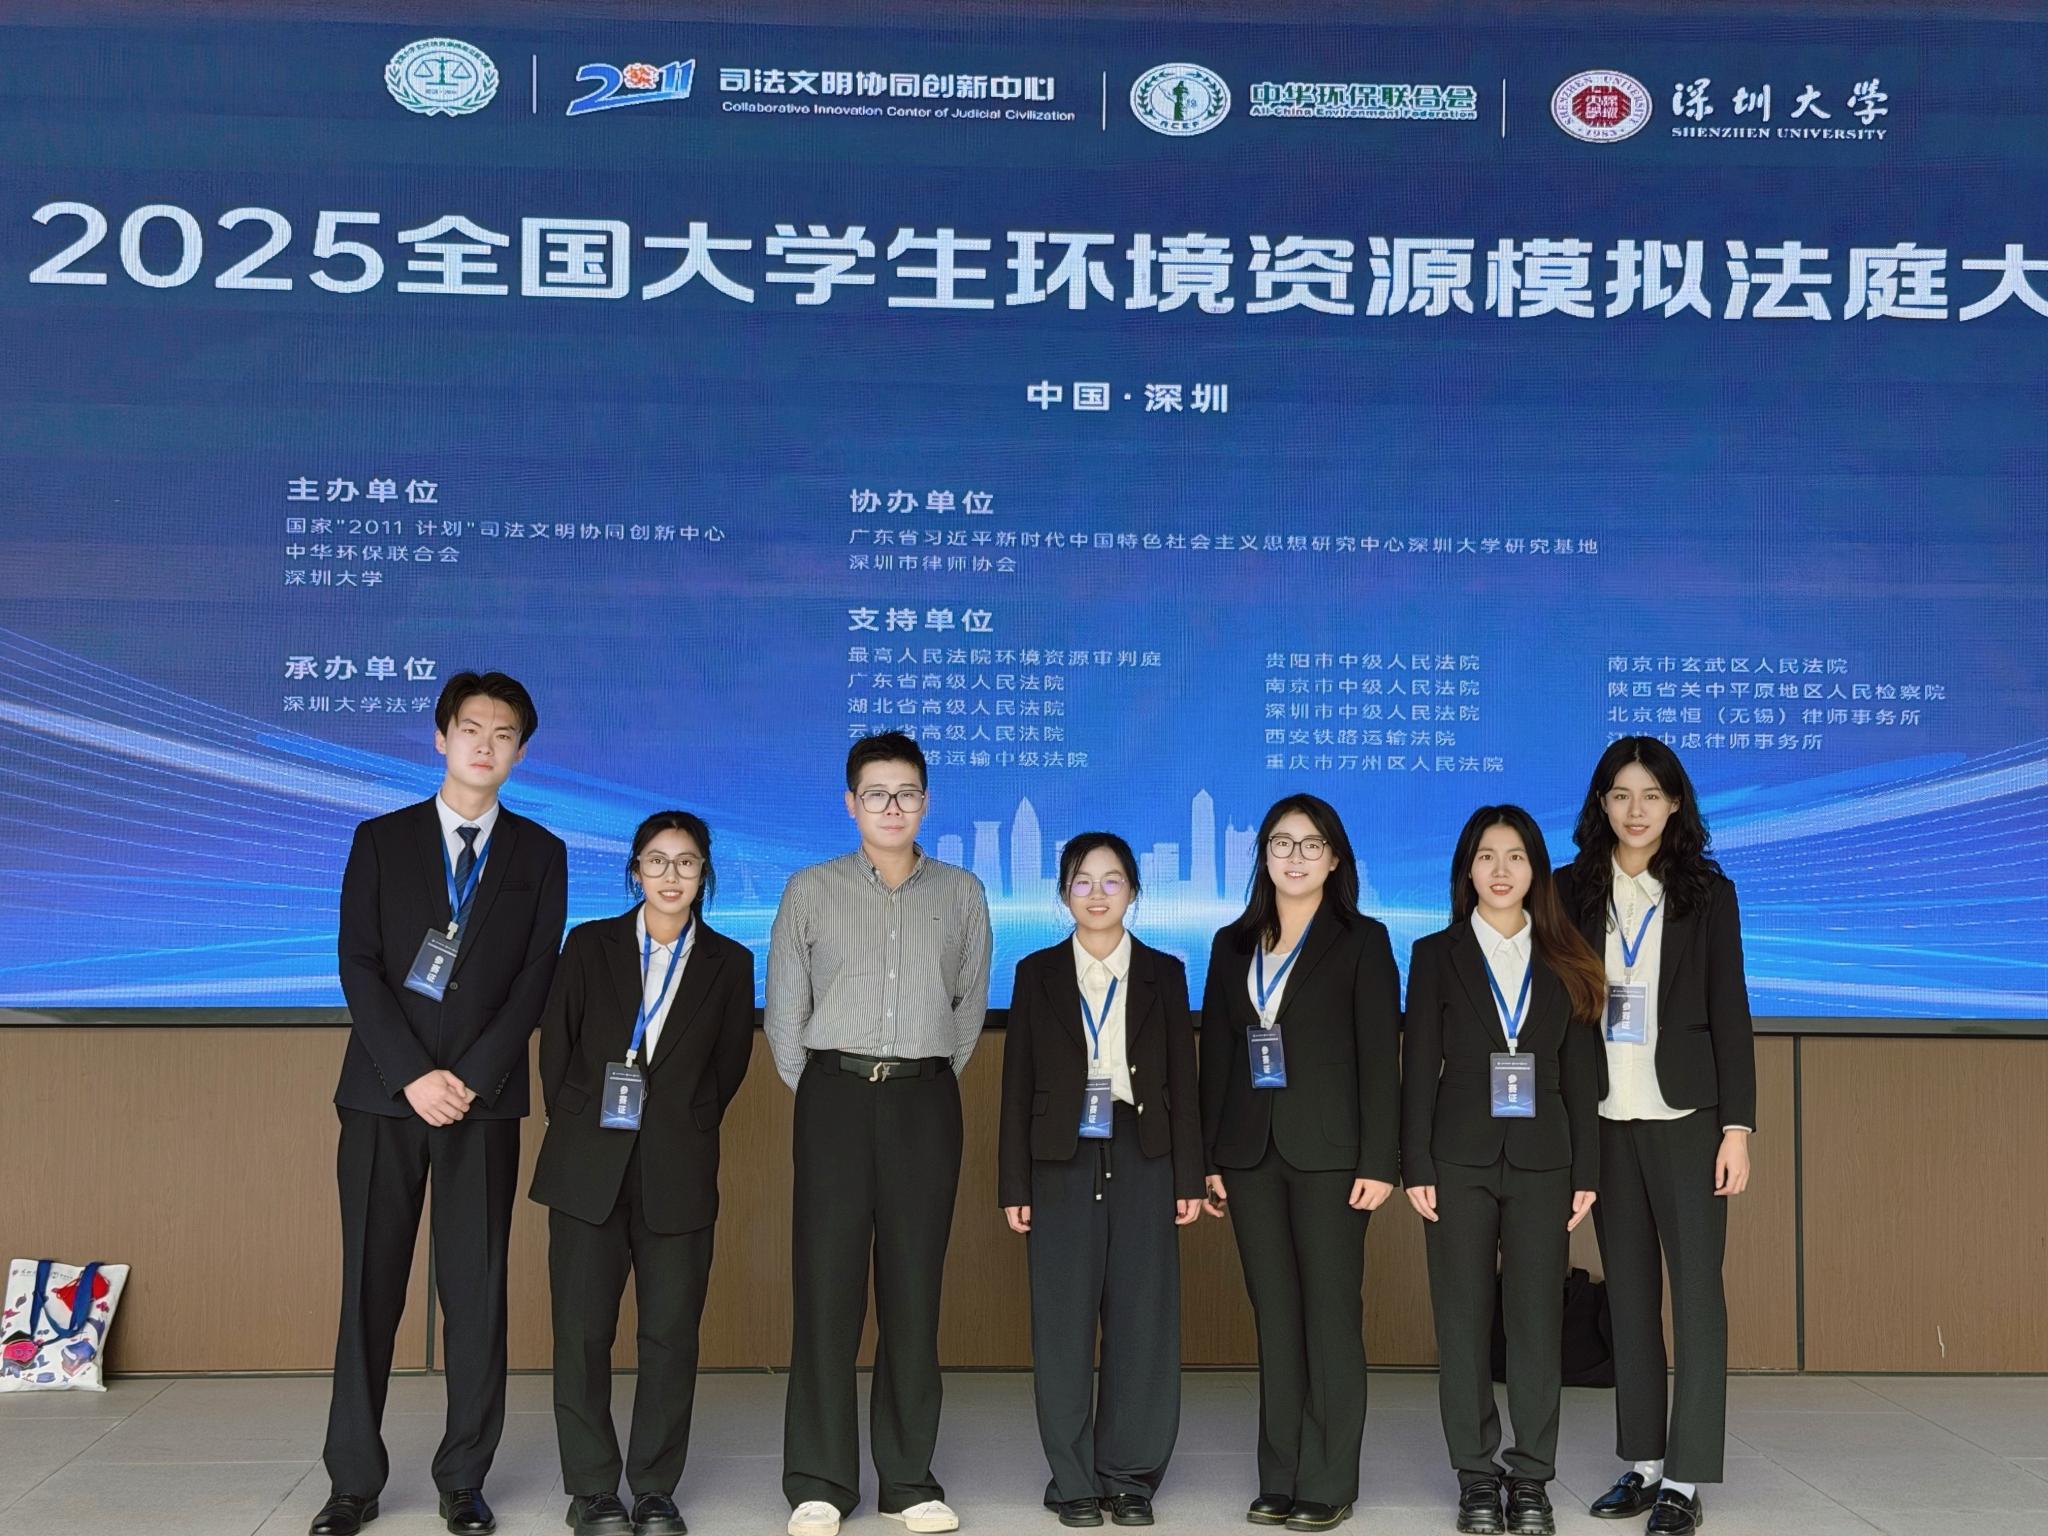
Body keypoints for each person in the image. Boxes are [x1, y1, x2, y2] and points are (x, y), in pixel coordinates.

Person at [314, 672, 568, 1536]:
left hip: (481, 1104)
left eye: (503, 734)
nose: (484, 745)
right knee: (368, 1290)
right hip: (385, 1098)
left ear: (520, 751)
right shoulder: (380, 840)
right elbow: (359, 964)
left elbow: (535, 979)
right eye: (470, 728)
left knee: (476, 1293)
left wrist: (469, 1078)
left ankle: (464, 1480)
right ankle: (352, 1482)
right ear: (440, 737)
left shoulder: (540, 853)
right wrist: (413, 1076)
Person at [766, 731, 992, 1536]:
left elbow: (967, 1009)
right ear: (850, 803)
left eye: (906, 794)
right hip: (832, 1097)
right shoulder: (811, 889)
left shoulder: (961, 892)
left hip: (924, 1102)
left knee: (913, 1291)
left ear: (925, 802)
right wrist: (828, 1089)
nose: (891, 807)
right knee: (826, 1290)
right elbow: (784, 1015)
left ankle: (908, 1480)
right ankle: (820, 1480)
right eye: (876, 794)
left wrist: (917, 1080)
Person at [530, 811, 756, 1536]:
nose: (671, 875)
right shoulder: (588, 944)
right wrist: (581, 1126)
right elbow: (557, 1048)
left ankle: (655, 1488)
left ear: (703, 873)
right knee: (582, 1333)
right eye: (656, 861)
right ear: (635, 870)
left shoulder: (729, 962)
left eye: (686, 862)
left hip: (677, 1169)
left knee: (669, 1337)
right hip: (587, 1167)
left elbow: (728, 1067)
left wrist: (681, 1123)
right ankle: (593, 1489)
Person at [1557, 738, 1754, 1536]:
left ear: (1675, 804)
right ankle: (1641, 1462)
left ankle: (1685, 1477)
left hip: (1689, 1121)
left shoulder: (1708, 892)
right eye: (1619, 794)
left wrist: (1737, 1128)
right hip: (1605, 1119)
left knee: (1697, 1295)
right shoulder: (1570, 890)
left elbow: (1731, 1012)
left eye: (1650, 795)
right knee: (1630, 1296)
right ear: (1600, 804)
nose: (1634, 810)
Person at [1198, 794, 1400, 1534]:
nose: (1295, 856)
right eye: (1281, 843)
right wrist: (1210, 1157)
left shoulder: (1363, 940)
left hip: (1333, 1158)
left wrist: (1381, 1160)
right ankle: (1278, 1476)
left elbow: (1381, 1059)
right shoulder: (1231, 944)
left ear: (1335, 858)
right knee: (1276, 1317)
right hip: (1249, 1154)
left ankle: (1329, 1478)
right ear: (1264, 856)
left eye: (1311, 844)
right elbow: (1218, 1058)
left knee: (1330, 1315)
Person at [1401, 806, 1605, 1536]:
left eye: (1515, 856)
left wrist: (1587, 1169)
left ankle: (1532, 1477)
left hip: (1546, 1161)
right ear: (1467, 868)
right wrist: (1414, 1163)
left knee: (1535, 1325)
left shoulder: (1566, 954)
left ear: (1535, 870)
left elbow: (1581, 1072)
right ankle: (1476, 1476)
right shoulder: (1436, 953)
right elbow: (1418, 1066)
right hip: (1456, 1159)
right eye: (1486, 855)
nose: (1500, 869)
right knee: (1461, 1323)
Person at [998, 833, 1205, 1529]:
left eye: (1111, 880)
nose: (1096, 893)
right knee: (1061, 1322)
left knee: (1142, 1318)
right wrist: (1013, 1185)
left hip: (1144, 1152)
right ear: (1063, 893)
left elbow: (1184, 1082)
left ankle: (1129, 1476)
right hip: (1059, 1161)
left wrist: (1189, 1175)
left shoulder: (1164, 973)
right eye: (1082, 881)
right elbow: (1016, 1083)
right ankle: (1074, 1479)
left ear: (1133, 892)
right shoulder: (1036, 973)